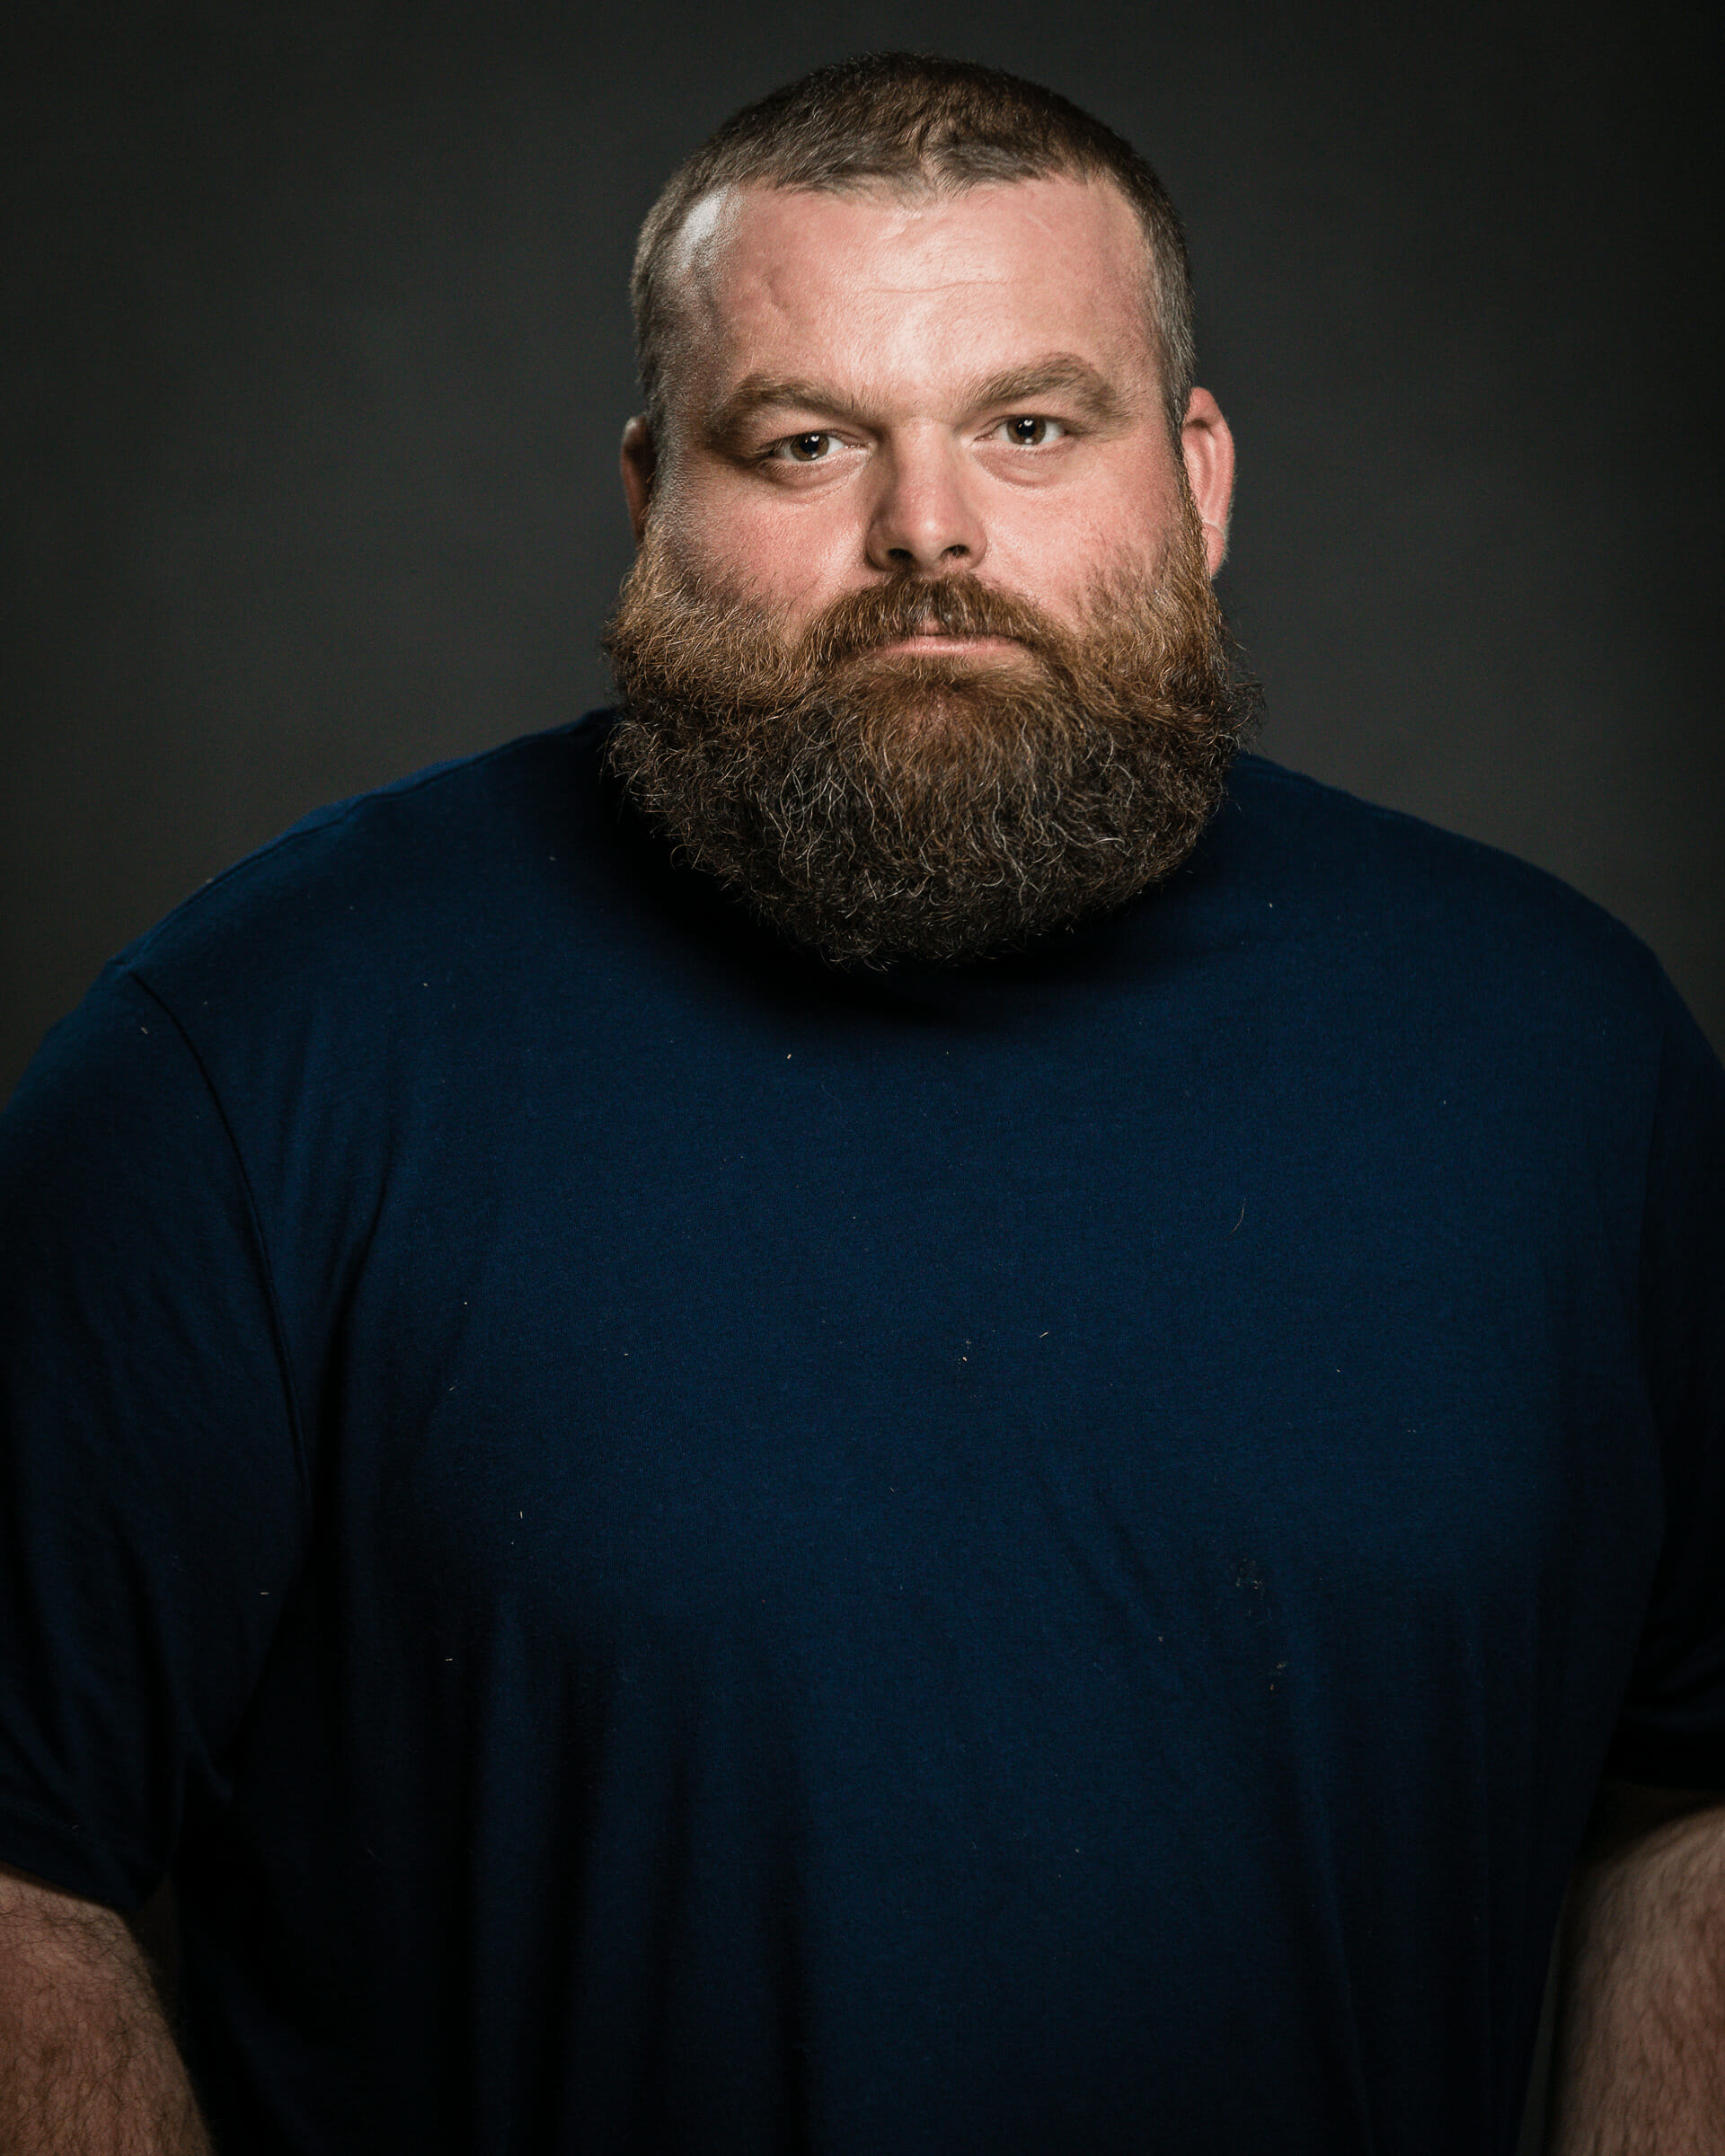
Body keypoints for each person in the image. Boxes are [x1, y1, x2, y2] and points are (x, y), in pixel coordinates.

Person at [1, 51, 1721, 2156]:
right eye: (808, 441)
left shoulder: (1562, 1065)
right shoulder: (252, 1062)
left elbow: (1697, 1793)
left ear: (1199, 475)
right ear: (652, 500)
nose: (928, 528)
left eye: (1029, 423)